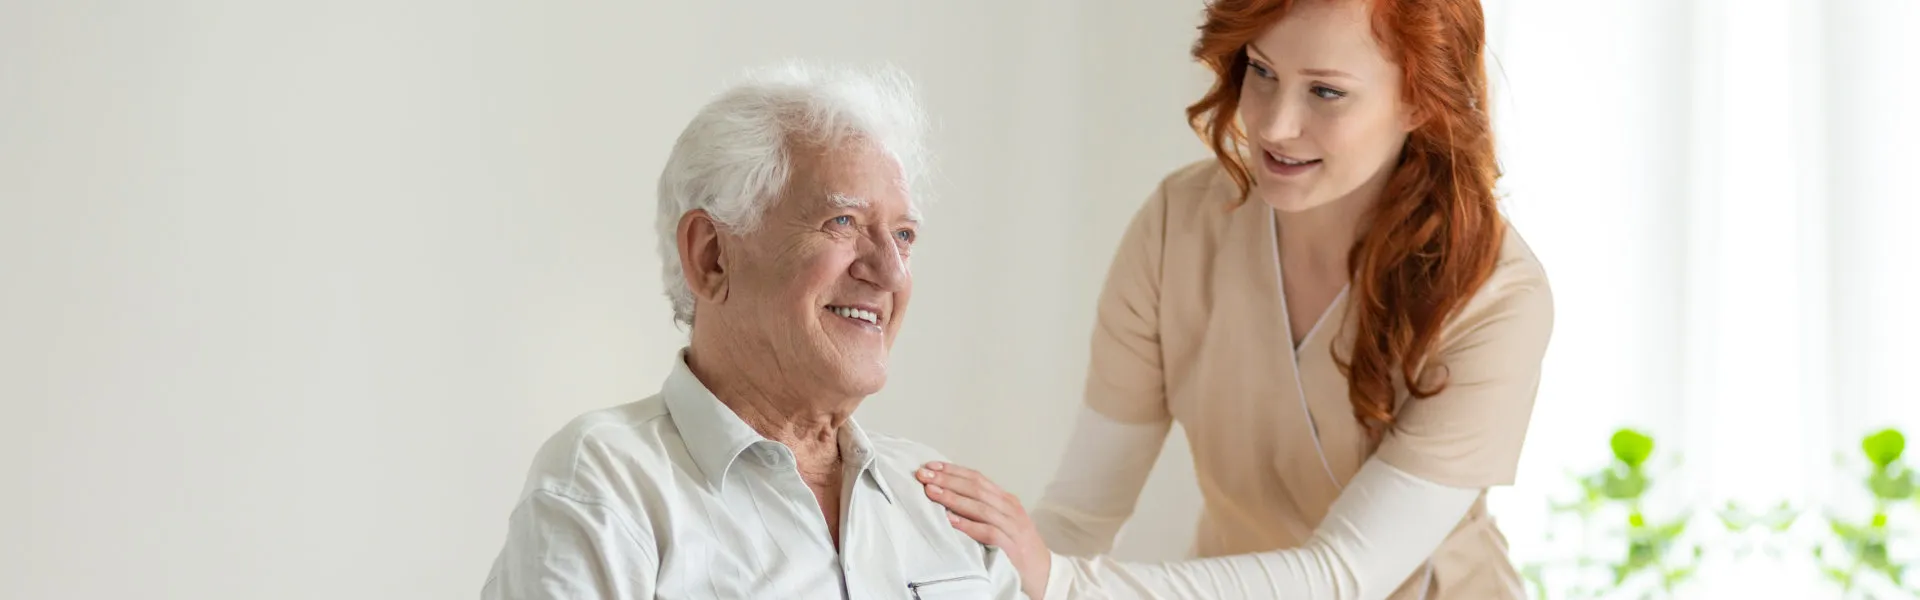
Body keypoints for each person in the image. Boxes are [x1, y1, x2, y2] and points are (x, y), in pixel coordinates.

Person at [915, 0, 1553, 599]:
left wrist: (1064, 582)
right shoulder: (1180, 226)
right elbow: (1081, 517)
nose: (1274, 125)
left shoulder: (1494, 297)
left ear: (1420, 100)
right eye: (1263, 70)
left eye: (1326, 91)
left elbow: (1345, 574)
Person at [479, 62, 1034, 599]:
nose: (891, 272)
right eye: (843, 222)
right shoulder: (608, 483)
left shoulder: (941, 498)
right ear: (712, 255)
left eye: (905, 235)